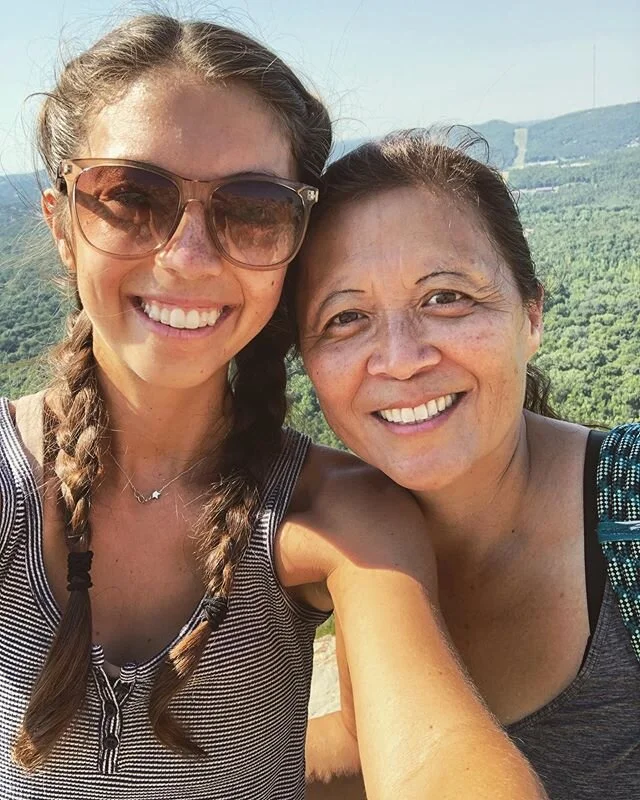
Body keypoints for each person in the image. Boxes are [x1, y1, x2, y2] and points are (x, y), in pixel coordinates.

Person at [0, 16, 550, 800]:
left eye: (252, 207)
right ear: (63, 225)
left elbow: (437, 759)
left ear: (291, 243)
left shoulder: (342, 513)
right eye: (130, 196)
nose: (187, 257)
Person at [296, 130, 640, 800]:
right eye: (345, 317)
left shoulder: (628, 510)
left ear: (531, 314)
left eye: (446, 298)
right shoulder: (346, 536)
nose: (400, 358)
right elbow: (373, 750)